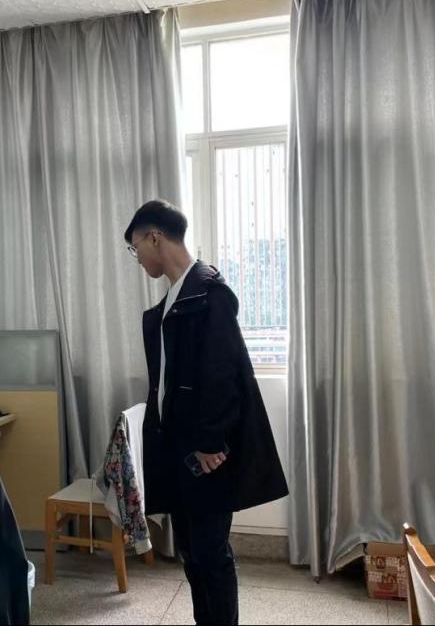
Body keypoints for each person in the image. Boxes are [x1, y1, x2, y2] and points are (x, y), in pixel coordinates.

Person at [124, 200, 288, 626]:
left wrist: (211, 442)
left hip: (204, 453)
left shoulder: (210, 294)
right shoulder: (176, 299)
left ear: (154, 237)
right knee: (193, 553)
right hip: (179, 448)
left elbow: (222, 374)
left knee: (211, 555)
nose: (137, 257)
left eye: (135, 247)